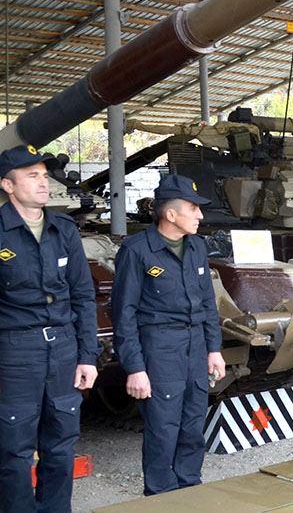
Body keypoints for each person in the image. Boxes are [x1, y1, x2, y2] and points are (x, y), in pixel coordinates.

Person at [111, 174, 226, 495]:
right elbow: (124, 315)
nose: (201, 215)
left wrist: (214, 349)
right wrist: (134, 368)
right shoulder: (137, 252)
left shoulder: (197, 247)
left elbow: (207, 303)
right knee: (163, 431)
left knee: (192, 429)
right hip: (159, 354)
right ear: (170, 214)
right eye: (194, 208)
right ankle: (160, 498)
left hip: (195, 350)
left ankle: (189, 492)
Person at [0, 145, 98, 512]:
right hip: (15, 352)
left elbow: (83, 296)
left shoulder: (64, 229)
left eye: (44, 175)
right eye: (32, 176)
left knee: (60, 446)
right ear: (8, 185)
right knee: (14, 450)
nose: (43, 183)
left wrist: (87, 357)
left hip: (63, 351)